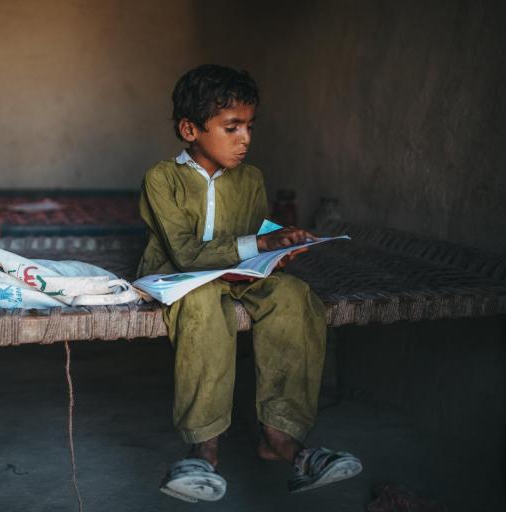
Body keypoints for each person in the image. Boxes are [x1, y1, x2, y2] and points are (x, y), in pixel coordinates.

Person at [137, 64, 362, 503]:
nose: (246, 139)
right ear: (189, 129)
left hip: (237, 276)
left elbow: (251, 237)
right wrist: (260, 240)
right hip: (180, 276)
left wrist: (279, 249)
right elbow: (185, 252)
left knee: (295, 297)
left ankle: (282, 438)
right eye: (231, 127)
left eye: (249, 126)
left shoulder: (252, 178)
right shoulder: (161, 179)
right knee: (203, 305)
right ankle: (204, 448)